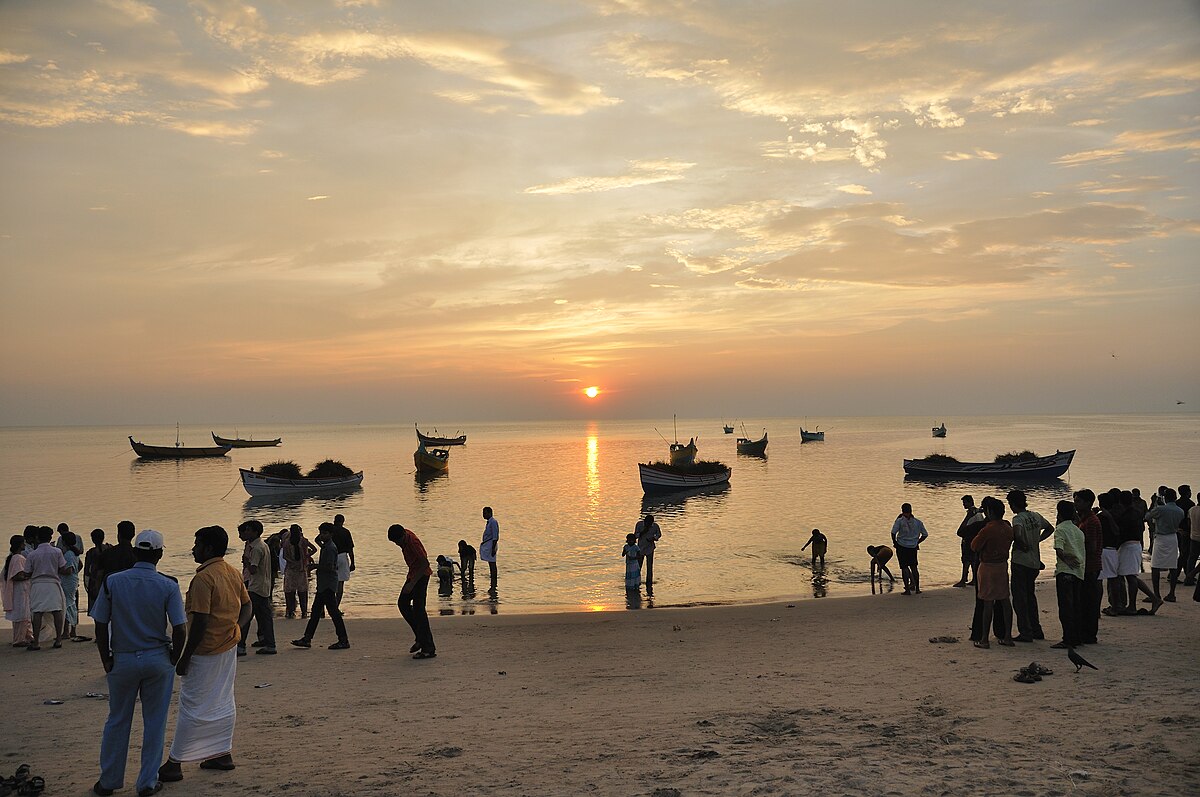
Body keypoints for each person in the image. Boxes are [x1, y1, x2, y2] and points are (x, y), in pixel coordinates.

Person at [91, 530, 187, 797]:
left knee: (117, 720)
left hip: (122, 658)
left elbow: (101, 624)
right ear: (160, 554)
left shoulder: (113, 582)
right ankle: (146, 782)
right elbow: (180, 629)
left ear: (135, 552)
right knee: (155, 722)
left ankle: (109, 781)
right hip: (157, 657)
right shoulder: (168, 584)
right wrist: (174, 658)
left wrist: (106, 659)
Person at [159, 526, 252, 783]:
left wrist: (185, 656)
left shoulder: (204, 578)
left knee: (193, 704)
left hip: (205, 650)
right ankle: (221, 754)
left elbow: (199, 621)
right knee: (222, 699)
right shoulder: (231, 572)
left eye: (197, 544)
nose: (193, 549)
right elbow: (248, 605)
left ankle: (175, 762)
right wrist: (236, 629)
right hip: (227, 646)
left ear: (209, 548)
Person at [291, 523, 349, 650]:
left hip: (328, 585)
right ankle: (307, 638)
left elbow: (330, 567)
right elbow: (319, 542)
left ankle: (343, 640)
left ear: (331, 534)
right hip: (323, 585)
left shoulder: (330, 548)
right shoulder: (326, 546)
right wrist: (319, 539)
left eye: (325, 533)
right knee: (316, 612)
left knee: (333, 613)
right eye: (321, 533)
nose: (322, 536)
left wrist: (315, 566)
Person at [1007, 490, 1054, 642]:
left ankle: (1025, 632)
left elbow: (1018, 533)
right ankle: (1036, 629)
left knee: (1020, 599)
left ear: (1013, 504)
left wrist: (1022, 543)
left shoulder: (1017, 519)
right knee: (1030, 596)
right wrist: (1037, 540)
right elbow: (1050, 528)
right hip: (1034, 562)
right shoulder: (1036, 516)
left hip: (1021, 562)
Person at [971, 497, 1015, 649]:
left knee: (987, 602)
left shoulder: (988, 529)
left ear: (990, 512)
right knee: (1005, 600)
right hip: (1002, 565)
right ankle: (1007, 636)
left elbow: (975, 546)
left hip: (988, 566)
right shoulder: (1008, 527)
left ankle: (984, 639)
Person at [388, 524, 435, 659]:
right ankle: (420, 637)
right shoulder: (404, 537)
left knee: (419, 610)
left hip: (421, 576)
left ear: (403, 536)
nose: (397, 544)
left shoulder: (412, 542)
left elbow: (425, 564)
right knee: (403, 604)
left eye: (398, 541)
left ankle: (428, 648)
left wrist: (412, 583)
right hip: (413, 574)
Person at [24, 525, 71, 650]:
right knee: (57, 611)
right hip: (52, 583)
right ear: (50, 537)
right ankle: (58, 640)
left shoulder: (32, 554)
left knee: (37, 612)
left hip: (38, 584)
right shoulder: (57, 551)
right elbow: (62, 568)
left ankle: (36, 642)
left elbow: (27, 572)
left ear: (38, 538)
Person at [236, 520, 275, 656]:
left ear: (254, 532)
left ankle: (241, 646)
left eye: (247, 530)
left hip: (256, 586)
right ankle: (268, 643)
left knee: (246, 616)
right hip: (262, 586)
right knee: (264, 616)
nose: (245, 533)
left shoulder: (257, 548)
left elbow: (253, 569)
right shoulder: (259, 545)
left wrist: (245, 561)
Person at [1051, 500, 1086, 649]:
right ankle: (1076, 637)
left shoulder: (1060, 529)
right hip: (1078, 572)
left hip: (1065, 571)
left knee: (1065, 607)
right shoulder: (1078, 530)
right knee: (1076, 606)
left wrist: (1065, 559)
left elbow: (1059, 549)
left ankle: (1068, 639)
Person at [1117, 490, 1157, 611]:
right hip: (1135, 545)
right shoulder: (1136, 512)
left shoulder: (1127, 515)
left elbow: (1123, 533)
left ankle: (1133, 605)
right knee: (1131, 576)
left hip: (1129, 546)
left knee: (1131, 577)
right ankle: (1153, 598)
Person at [1073, 490, 1103, 645]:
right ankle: (1085, 632)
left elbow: (1091, 547)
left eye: (1078, 501)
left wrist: (1075, 543)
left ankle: (1089, 635)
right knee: (1084, 601)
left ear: (1087, 503)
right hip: (1087, 566)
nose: (1075, 504)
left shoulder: (1091, 521)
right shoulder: (1084, 519)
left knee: (1088, 602)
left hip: (1090, 566)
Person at [1147, 487, 1184, 604]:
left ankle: (1156, 594)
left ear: (1165, 497)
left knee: (1155, 566)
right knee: (1173, 566)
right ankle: (1172, 593)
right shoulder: (1180, 511)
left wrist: (1154, 503)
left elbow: (1148, 516)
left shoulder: (1161, 509)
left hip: (1161, 537)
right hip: (1173, 537)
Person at [890, 503, 928, 595]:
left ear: (902, 510)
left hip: (902, 546)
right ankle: (917, 588)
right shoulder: (918, 522)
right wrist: (917, 542)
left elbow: (893, 533)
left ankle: (907, 589)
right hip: (913, 547)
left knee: (904, 567)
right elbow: (925, 534)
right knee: (914, 567)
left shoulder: (899, 521)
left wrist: (895, 543)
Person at [3, 535, 33, 647]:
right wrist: (28, 576)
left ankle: (25, 636)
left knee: (22, 614)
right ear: (20, 544)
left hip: (18, 590)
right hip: (21, 590)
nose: (25, 545)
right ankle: (20, 639)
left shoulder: (13, 557)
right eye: (23, 543)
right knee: (23, 614)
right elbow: (17, 575)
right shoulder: (18, 558)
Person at [58, 530, 87, 642]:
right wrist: (75, 572)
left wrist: (59, 570)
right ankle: (72, 630)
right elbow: (80, 565)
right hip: (73, 580)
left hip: (68, 581)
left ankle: (66, 631)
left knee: (67, 605)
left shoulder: (68, 554)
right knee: (71, 604)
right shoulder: (74, 553)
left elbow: (68, 570)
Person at [281, 525, 315, 619]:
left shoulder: (287, 542)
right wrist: (306, 556)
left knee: (289, 592)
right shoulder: (303, 541)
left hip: (291, 569)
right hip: (301, 569)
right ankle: (304, 612)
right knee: (303, 592)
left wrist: (292, 562)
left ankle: (290, 611)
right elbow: (314, 549)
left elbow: (284, 556)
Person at [953, 496, 984, 587]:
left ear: (970, 502)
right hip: (971, 539)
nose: (963, 505)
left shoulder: (974, 514)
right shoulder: (977, 514)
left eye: (965, 503)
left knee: (967, 560)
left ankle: (964, 579)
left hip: (969, 539)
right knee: (971, 560)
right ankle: (973, 579)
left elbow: (973, 528)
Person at [84, 528, 111, 617]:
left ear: (92, 539)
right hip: (107, 581)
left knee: (96, 612)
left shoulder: (91, 552)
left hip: (94, 583)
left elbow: (87, 571)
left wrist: (87, 586)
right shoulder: (109, 549)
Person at [331, 514, 355, 603]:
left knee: (330, 581)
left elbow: (317, 539)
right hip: (342, 556)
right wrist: (352, 563)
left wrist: (323, 546)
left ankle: (330, 604)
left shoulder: (330, 530)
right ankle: (336, 606)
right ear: (343, 521)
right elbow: (350, 549)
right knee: (340, 582)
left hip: (331, 556)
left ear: (334, 520)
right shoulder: (345, 532)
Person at [635, 514, 662, 585]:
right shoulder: (639, 524)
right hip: (640, 548)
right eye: (648, 523)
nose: (649, 525)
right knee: (638, 566)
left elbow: (659, 534)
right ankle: (636, 581)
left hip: (650, 548)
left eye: (651, 523)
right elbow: (635, 535)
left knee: (649, 566)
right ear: (645, 521)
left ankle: (649, 582)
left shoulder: (655, 526)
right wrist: (643, 532)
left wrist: (654, 538)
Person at [481, 507, 500, 585]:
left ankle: (494, 580)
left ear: (489, 513)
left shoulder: (493, 522)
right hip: (488, 544)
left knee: (492, 563)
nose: (483, 515)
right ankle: (492, 577)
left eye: (485, 513)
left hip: (491, 544)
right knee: (490, 562)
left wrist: (493, 548)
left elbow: (495, 536)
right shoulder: (489, 522)